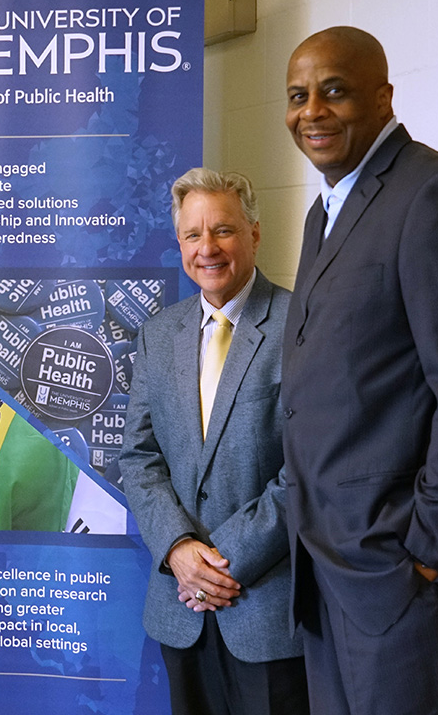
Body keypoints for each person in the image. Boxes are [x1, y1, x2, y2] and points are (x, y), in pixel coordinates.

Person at [280, 26, 438, 715]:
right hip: (329, 560)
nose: (312, 112)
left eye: (335, 92)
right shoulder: (327, 210)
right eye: (298, 96)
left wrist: (427, 550)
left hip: (398, 569)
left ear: (384, 95)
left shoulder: (436, 196)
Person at [118, 168, 307, 715]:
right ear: (179, 244)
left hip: (266, 608)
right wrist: (178, 550)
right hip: (181, 610)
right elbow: (139, 455)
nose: (208, 248)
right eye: (193, 235)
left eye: (222, 230)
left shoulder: (301, 324)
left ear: (254, 233)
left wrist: (221, 564)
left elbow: (309, 465)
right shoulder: (159, 333)